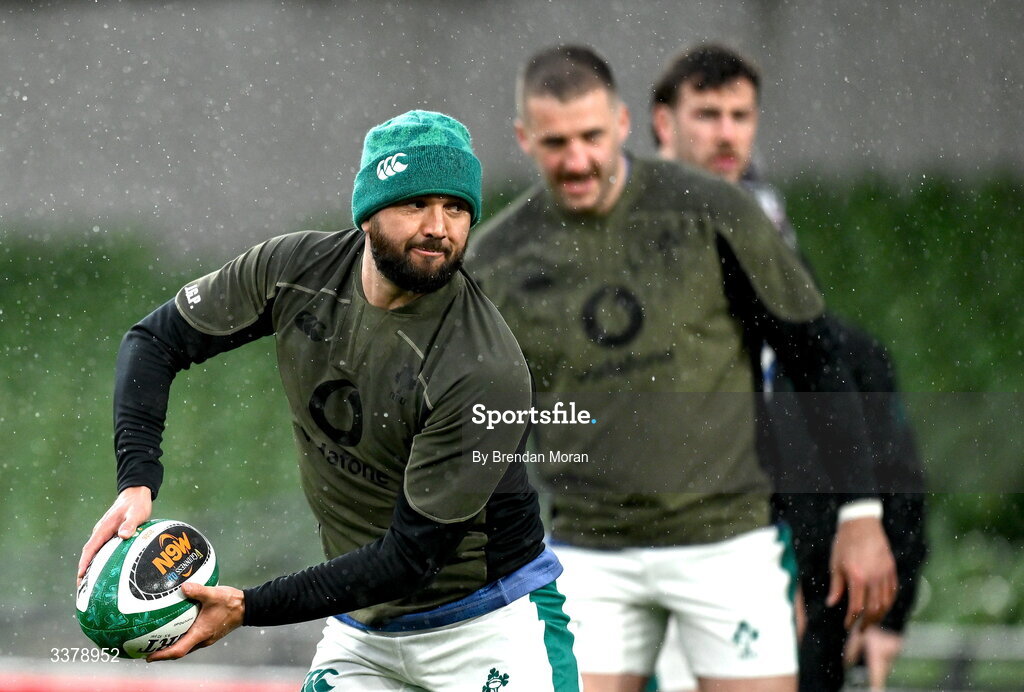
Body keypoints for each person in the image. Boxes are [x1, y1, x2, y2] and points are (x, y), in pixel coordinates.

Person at [76, 110, 581, 691]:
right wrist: (136, 480)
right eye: (416, 204)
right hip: (362, 629)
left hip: (490, 624)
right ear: (369, 212)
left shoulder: (481, 366)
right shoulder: (294, 271)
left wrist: (248, 606)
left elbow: (411, 558)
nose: (440, 227)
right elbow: (155, 341)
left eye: (457, 208)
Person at [467, 45, 896, 692]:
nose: (577, 160)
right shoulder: (496, 259)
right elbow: (486, 430)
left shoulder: (717, 210)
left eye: (590, 136)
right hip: (588, 552)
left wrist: (860, 515)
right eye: (556, 144)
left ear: (621, 123)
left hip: (727, 543)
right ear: (524, 138)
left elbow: (817, 356)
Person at [649, 44, 927, 692]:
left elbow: (895, 476)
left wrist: (887, 612)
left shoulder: (839, 353)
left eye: (740, 115)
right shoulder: (627, 307)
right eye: (707, 114)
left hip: (812, 612)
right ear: (665, 123)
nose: (726, 132)